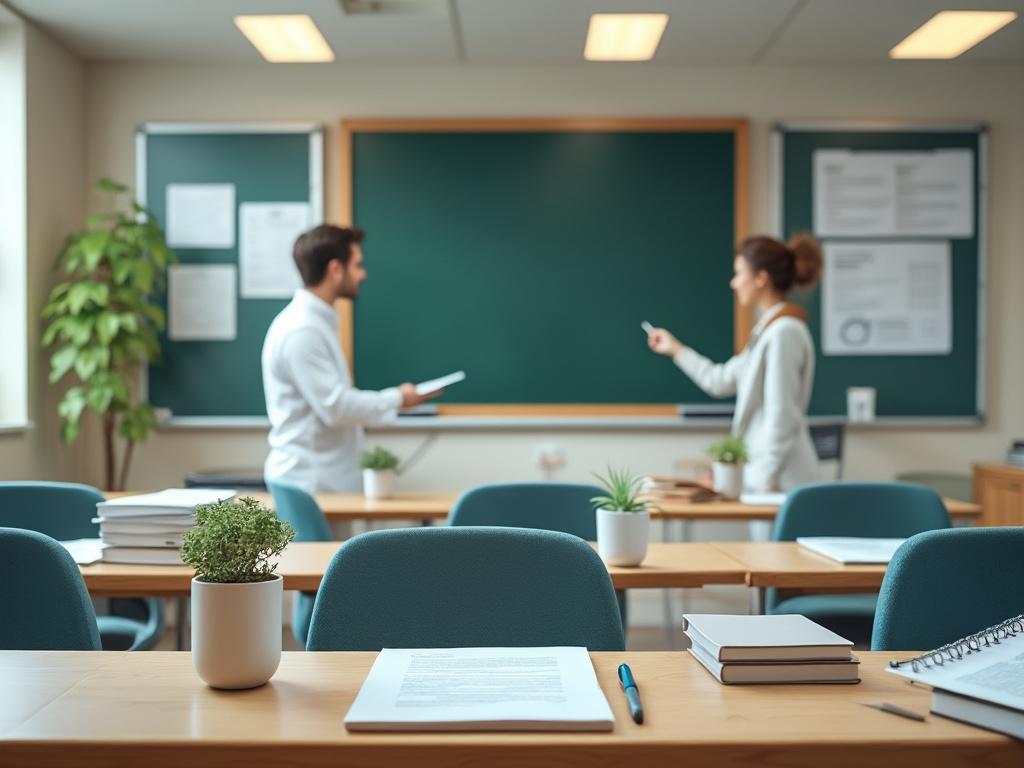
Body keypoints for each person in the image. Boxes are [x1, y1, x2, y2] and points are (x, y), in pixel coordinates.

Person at [262, 224, 437, 493]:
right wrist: (398, 398)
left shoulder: (315, 323)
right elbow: (335, 407)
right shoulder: (303, 330)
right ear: (335, 269)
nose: (363, 274)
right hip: (312, 484)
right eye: (357, 265)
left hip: (323, 481)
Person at [647, 235, 823, 492]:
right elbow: (719, 381)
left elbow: (782, 415)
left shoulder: (784, 332)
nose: (734, 283)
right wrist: (676, 350)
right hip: (767, 474)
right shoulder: (766, 333)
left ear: (761, 278)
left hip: (780, 479)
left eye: (739, 273)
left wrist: (767, 478)